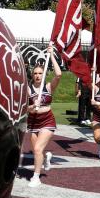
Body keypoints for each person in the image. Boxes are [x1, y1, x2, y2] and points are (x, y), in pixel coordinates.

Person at [26, 50, 61, 187]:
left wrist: (51, 55)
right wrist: (31, 107)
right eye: (35, 73)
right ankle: (46, 158)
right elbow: (23, 109)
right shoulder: (28, 89)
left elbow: (58, 74)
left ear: (44, 74)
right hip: (33, 122)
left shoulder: (48, 87)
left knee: (38, 149)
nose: (37, 76)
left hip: (47, 120)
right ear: (32, 75)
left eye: (40, 73)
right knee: (37, 151)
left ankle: (36, 177)